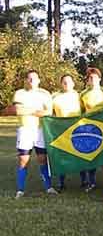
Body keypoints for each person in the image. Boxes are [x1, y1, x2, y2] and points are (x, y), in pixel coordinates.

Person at [14, 70, 57, 198]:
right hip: (25, 130)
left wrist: (28, 110)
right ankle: (20, 190)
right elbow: (18, 111)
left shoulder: (45, 94)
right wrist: (37, 110)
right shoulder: (19, 93)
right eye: (29, 78)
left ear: (39, 80)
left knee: (42, 159)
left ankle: (48, 187)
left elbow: (48, 112)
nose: (32, 81)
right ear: (26, 80)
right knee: (23, 160)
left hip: (40, 130)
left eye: (34, 78)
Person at [80, 67, 103, 191]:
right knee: (90, 154)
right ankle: (90, 181)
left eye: (94, 77)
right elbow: (80, 111)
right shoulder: (83, 94)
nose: (92, 79)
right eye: (90, 78)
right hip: (90, 128)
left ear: (99, 79)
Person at [52, 74, 83, 191]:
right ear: (61, 84)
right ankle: (61, 182)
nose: (66, 84)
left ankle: (85, 180)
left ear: (73, 84)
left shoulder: (79, 96)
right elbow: (51, 113)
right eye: (64, 82)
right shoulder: (55, 97)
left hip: (77, 129)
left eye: (69, 82)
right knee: (62, 156)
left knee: (80, 154)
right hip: (61, 130)